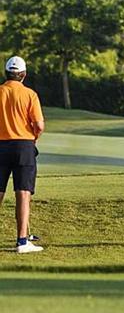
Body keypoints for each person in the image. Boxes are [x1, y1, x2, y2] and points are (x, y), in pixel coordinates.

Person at [0, 56, 45, 253]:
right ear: (24, 75)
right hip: (24, 146)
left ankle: (23, 241)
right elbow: (39, 125)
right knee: (23, 193)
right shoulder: (30, 94)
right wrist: (34, 138)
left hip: (0, 146)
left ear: (6, 73)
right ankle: (22, 242)